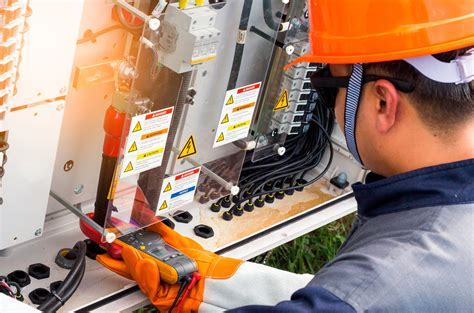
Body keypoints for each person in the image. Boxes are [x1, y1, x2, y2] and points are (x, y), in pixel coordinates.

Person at [97, 1, 474, 312]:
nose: (332, 104)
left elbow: (356, 298)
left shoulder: (378, 287)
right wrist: (207, 282)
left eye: (328, 83)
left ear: (382, 102)